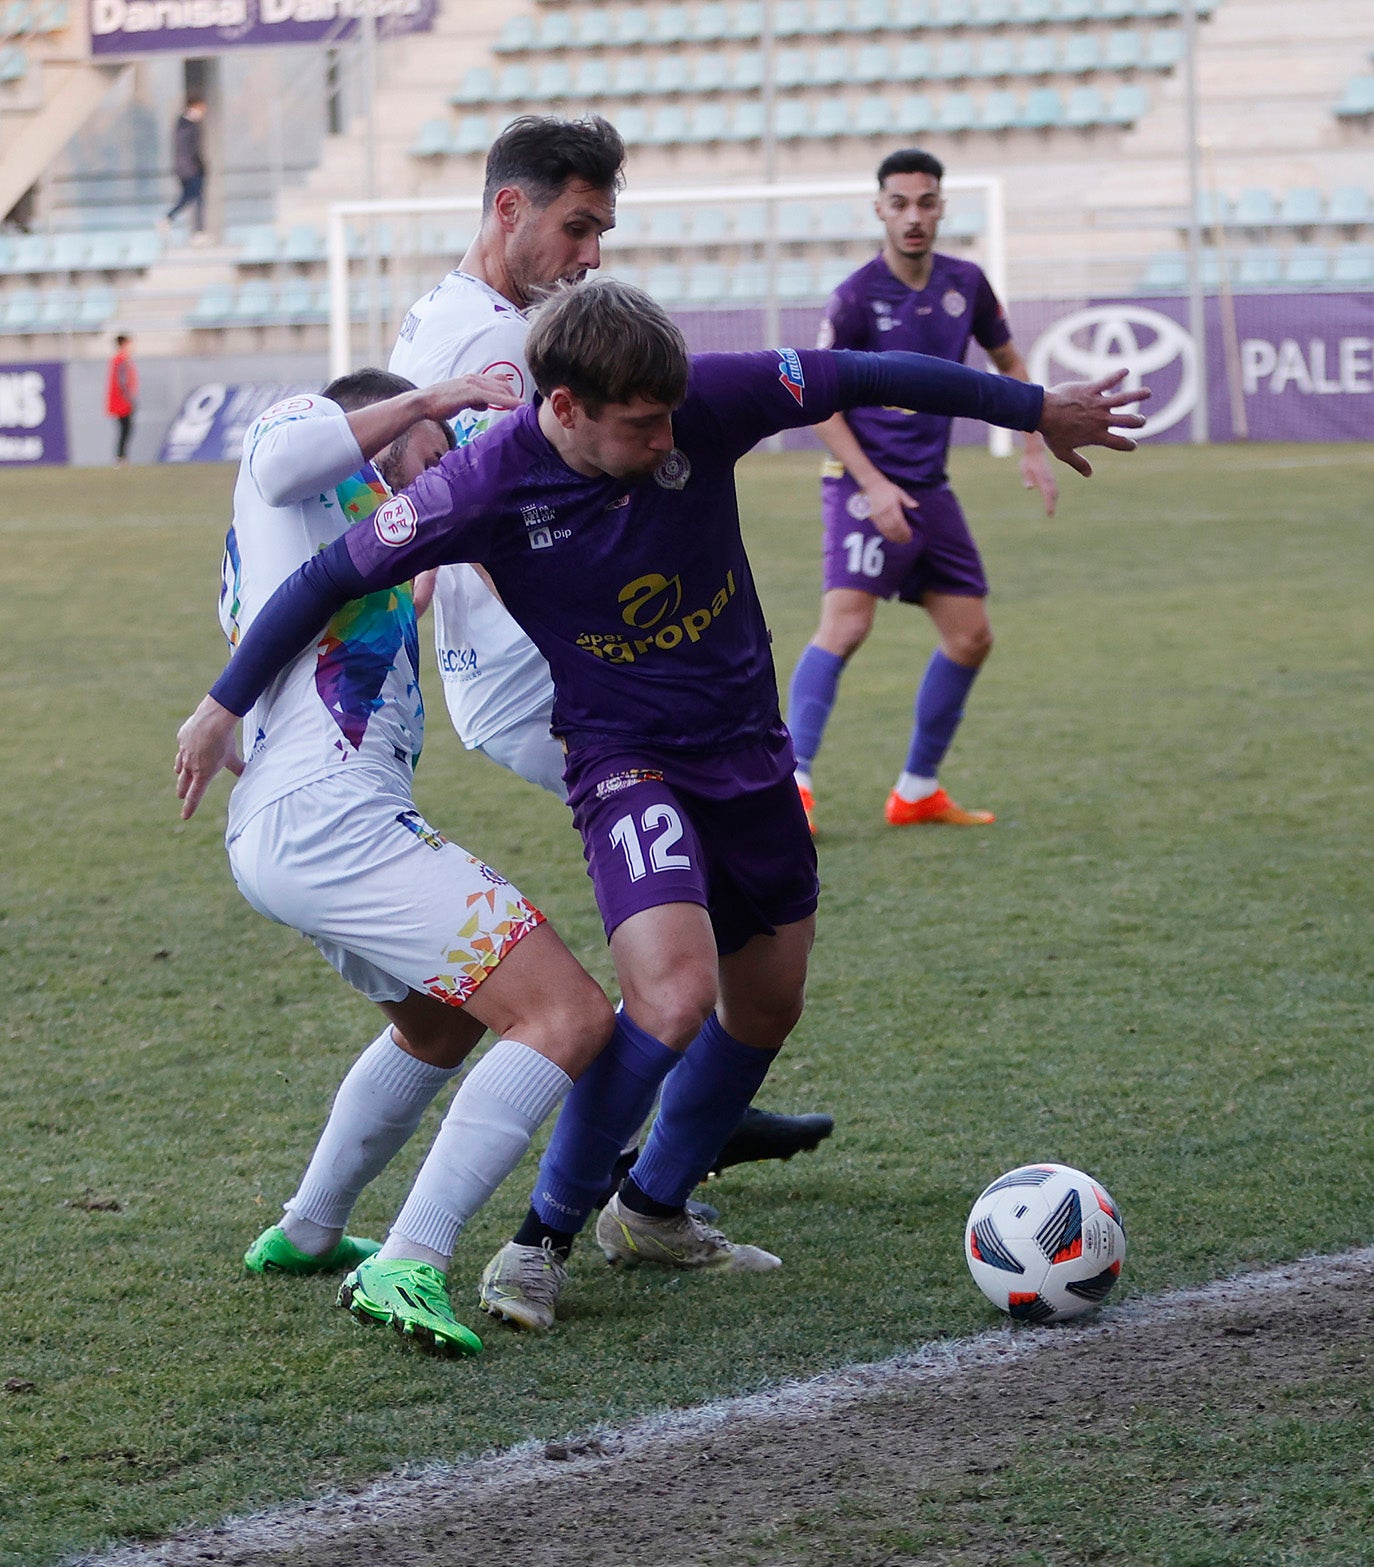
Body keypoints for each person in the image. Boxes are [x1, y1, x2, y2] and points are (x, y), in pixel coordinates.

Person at [173, 278, 1147, 1337]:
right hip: (623, 758)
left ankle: (651, 1210)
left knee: (767, 1001)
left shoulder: (705, 397)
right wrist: (222, 706)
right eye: (640, 425)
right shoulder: (480, 485)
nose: (666, 436)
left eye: (670, 413)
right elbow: (323, 576)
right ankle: (538, 1238)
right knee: (670, 995)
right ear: (566, 409)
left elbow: (865, 374)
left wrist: (1034, 402)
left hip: (746, 746)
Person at [388, 112, 835, 1244]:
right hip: (537, 681)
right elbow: (436, 502)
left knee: (714, 950)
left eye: (602, 234)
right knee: (681, 957)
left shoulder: (514, 324)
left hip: (556, 669)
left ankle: (684, 1109)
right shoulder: (467, 339)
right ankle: (652, 1143)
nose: (592, 257)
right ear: (509, 211)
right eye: (577, 229)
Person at [174, 366, 619, 1359]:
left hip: (301, 825)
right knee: (569, 1013)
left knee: (438, 1020)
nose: (449, 458)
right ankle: (409, 1255)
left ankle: (311, 1226)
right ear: (378, 435)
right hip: (326, 819)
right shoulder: (303, 435)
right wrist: (431, 395)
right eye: (437, 445)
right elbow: (287, 447)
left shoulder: (356, 528)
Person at [787, 148, 1059, 835]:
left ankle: (916, 790)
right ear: (879, 208)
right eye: (900, 203)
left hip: (930, 488)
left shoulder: (967, 283)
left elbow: (1009, 362)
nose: (914, 216)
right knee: (846, 626)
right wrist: (873, 483)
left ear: (942, 208)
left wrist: (1033, 441)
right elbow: (820, 402)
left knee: (970, 637)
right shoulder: (855, 296)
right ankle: (791, 786)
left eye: (926, 202)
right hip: (862, 485)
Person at [163, 96, 207, 241]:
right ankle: (197, 231)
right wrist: (198, 166)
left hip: (189, 168)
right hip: (190, 169)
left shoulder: (185, 125)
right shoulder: (186, 126)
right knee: (193, 197)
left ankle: (170, 219)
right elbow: (189, 150)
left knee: (191, 197)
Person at [106, 334, 137, 466]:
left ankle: (122, 457)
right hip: (122, 403)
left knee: (125, 430)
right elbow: (122, 382)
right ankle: (121, 457)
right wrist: (129, 399)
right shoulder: (120, 360)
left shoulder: (121, 360)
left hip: (122, 401)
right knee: (125, 430)